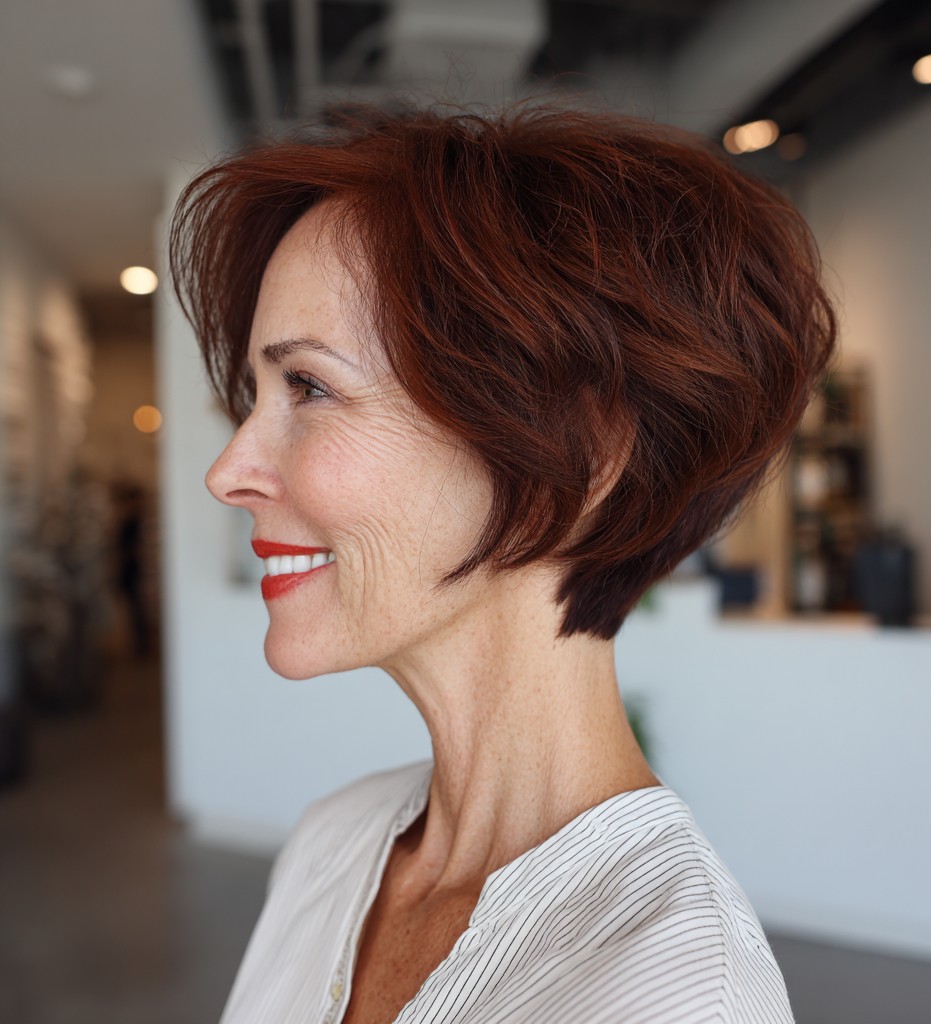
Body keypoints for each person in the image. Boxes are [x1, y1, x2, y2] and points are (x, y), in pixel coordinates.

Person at [170, 103, 835, 1024]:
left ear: (586, 452)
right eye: (254, 396)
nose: (228, 472)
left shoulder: (674, 997)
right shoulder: (334, 842)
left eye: (310, 386)